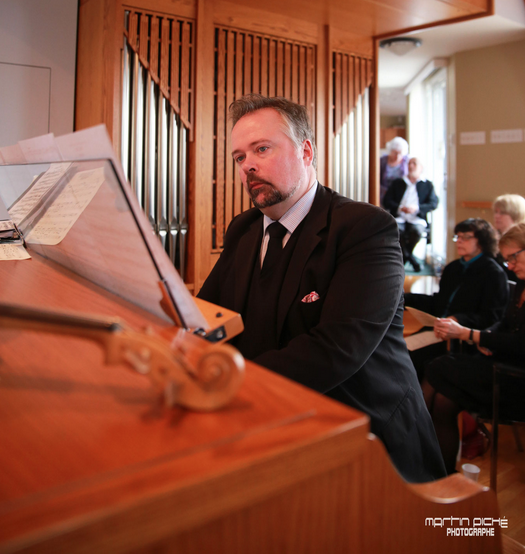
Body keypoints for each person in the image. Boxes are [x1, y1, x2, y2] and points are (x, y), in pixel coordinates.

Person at [199, 94, 446, 483]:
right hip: (274, 432)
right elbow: (206, 314)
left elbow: (336, 348)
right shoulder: (243, 230)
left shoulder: (366, 228)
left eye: (262, 148)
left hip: (369, 442)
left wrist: (226, 382)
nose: (248, 165)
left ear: (306, 150)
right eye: (239, 157)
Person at [422, 222, 525, 475]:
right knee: (445, 400)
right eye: (507, 259)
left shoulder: (495, 273)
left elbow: (521, 343)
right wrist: (489, 338)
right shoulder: (522, 283)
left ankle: (413, 452)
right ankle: (442, 475)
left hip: (517, 380)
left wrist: (474, 335)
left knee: (438, 366)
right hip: (503, 364)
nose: (510, 266)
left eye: (513, 258)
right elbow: (504, 323)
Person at [404, 218, 508, 380]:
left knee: (411, 359)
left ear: (482, 241)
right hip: (439, 330)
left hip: (464, 339)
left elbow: (492, 317)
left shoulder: (494, 273)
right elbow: (439, 303)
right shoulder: (453, 268)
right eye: (457, 237)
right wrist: (405, 299)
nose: (459, 241)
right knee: (398, 350)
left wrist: (457, 319)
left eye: (466, 237)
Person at [383, 157, 438, 272]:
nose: (411, 166)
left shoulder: (427, 185)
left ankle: (404, 258)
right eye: (409, 163)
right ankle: (412, 259)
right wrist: (400, 208)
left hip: (417, 218)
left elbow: (433, 203)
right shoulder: (398, 182)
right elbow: (386, 200)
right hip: (399, 217)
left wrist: (417, 209)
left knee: (417, 232)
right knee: (395, 232)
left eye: (414, 163)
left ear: (421, 168)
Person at [379, 136, 409, 206]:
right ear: (390, 151)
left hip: (399, 194)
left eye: (400, 153)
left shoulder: (406, 161)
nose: (397, 156)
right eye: (395, 153)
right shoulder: (382, 161)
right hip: (384, 194)